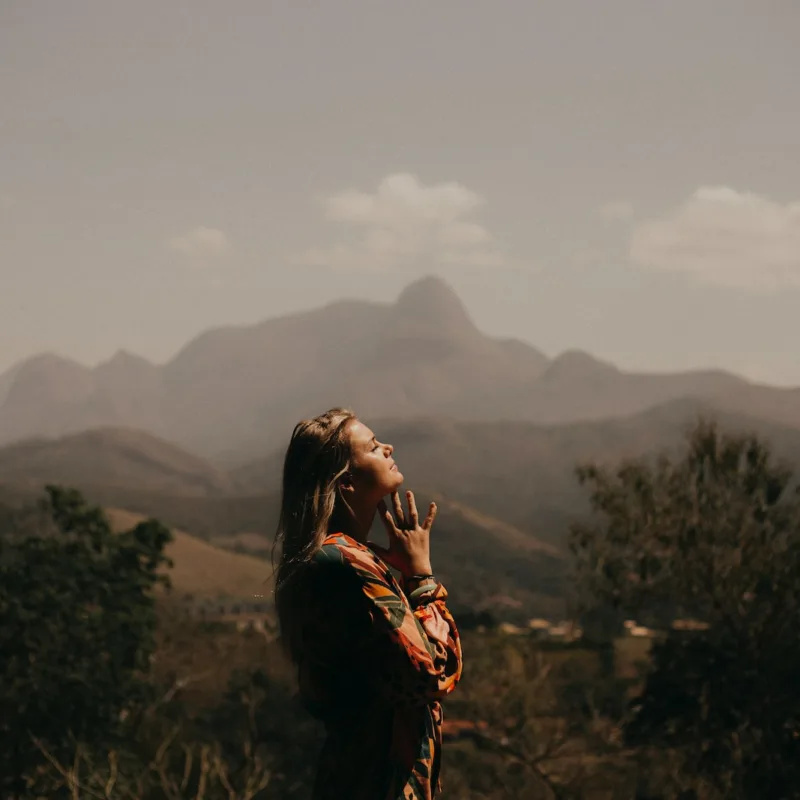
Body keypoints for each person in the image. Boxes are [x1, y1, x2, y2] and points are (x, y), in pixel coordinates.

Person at [274, 407, 463, 800]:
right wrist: (422, 578)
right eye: (375, 447)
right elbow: (431, 674)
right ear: (345, 483)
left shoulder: (348, 559)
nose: (389, 447)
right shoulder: (344, 564)